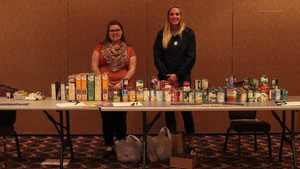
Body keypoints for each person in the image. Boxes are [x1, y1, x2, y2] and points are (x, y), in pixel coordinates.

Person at [153, 6, 196, 154]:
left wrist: (177, 75)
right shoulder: (161, 34)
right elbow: (157, 57)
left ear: (181, 16)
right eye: (171, 14)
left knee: (186, 111)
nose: (174, 16)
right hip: (166, 79)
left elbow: (191, 57)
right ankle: (172, 143)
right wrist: (168, 76)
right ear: (168, 16)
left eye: (177, 14)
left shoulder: (188, 34)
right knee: (169, 111)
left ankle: (191, 145)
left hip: (183, 78)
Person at [91, 20, 137, 158]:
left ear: (122, 32)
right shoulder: (100, 47)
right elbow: (94, 66)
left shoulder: (129, 49)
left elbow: (132, 68)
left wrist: (122, 83)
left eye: (117, 30)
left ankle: (120, 146)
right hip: (105, 88)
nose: (115, 33)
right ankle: (108, 146)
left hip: (124, 88)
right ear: (108, 33)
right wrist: (104, 81)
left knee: (121, 118)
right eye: (112, 30)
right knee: (106, 118)